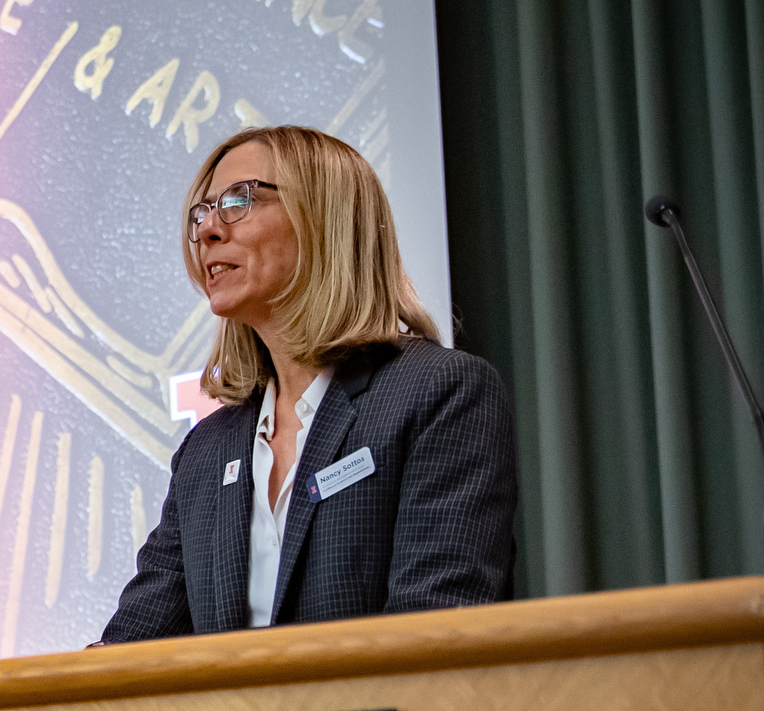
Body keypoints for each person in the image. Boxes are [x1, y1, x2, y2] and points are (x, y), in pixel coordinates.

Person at [99, 125, 517, 642]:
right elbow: (129, 651)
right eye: (202, 212)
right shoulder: (206, 453)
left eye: (238, 200)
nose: (208, 229)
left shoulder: (440, 393)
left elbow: (434, 632)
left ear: (324, 219)